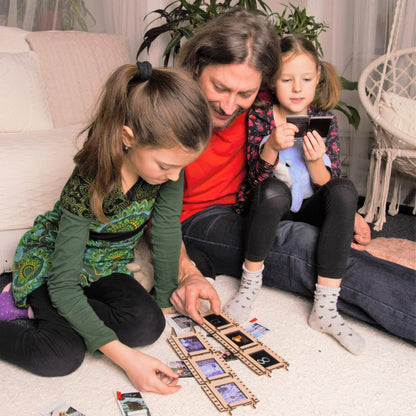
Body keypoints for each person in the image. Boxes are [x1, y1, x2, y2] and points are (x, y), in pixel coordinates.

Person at [169, 8, 416, 346]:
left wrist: (343, 212)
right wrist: (186, 270)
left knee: (332, 240)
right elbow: (150, 208)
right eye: (219, 87)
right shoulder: (166, 109)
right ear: (198, 67)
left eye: (245, 94)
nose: (229, 106)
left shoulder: (265, 101)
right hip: (199, 217)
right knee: (302, 245)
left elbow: (306, 141)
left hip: (254, 204)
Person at [0, 61, 212, 394]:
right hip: (56, 269)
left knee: (149, 324)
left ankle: (56, 315)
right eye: (167, 166)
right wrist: (126, 359)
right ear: (129, 138)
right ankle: (16, 299)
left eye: (180, 168)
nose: (174, 176)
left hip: (104, 266)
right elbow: (64, 286)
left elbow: (168, 229)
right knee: (61, 355)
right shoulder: (89, 181)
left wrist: (166, 301)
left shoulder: (170, 167)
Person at [223, 34, 365, 354]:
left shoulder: (325, 119)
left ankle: (325, 309)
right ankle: (248, 287)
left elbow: (328, 187)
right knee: (272, 190)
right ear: (273, 81)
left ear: (317, 79)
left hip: (311, 203)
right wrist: (271, 145)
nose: (297, 88)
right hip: (275, 203)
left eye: (305, 79)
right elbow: (254, 181)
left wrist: (316, 160)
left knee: (344, 190)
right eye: (287, 79)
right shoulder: (260, 117)